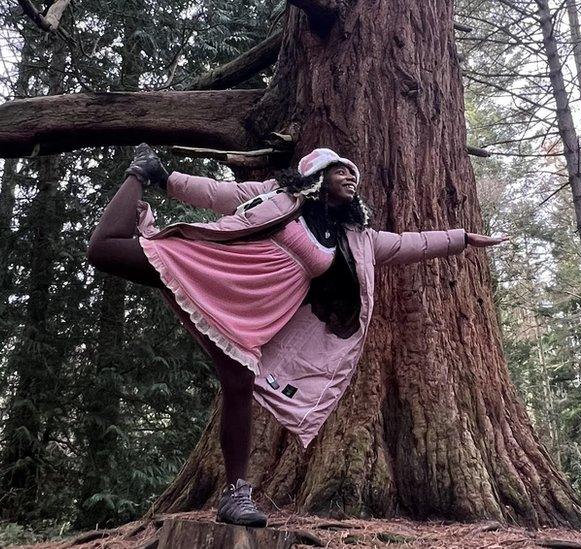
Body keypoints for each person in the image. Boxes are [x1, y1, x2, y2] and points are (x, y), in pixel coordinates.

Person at [86, 144, 508, 527]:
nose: (350, 177)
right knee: (105, 250)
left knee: (239, 383)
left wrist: (462, 239)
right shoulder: (277, 196)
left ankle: (236, 495)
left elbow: (403, 245)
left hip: (255, 312)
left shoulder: (354, 239)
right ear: (318, 174)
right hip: (218, 266)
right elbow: (219, 195)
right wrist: (164, 179)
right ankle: (137, 171)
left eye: (354, 175)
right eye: (341, 170)